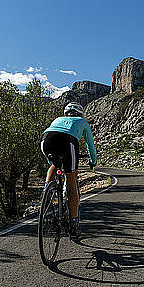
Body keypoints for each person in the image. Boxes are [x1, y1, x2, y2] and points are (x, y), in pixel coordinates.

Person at [40, 102, 97, 238]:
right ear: (80, 114)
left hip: (46, 139)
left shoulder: (57, 119)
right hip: (68, 141)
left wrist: (55, 163)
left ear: (66, 113)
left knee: (53, 166)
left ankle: (46, 192)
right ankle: (74, 225)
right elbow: (90, 146)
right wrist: (93, 161)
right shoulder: (82, 122)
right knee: (71, 182)